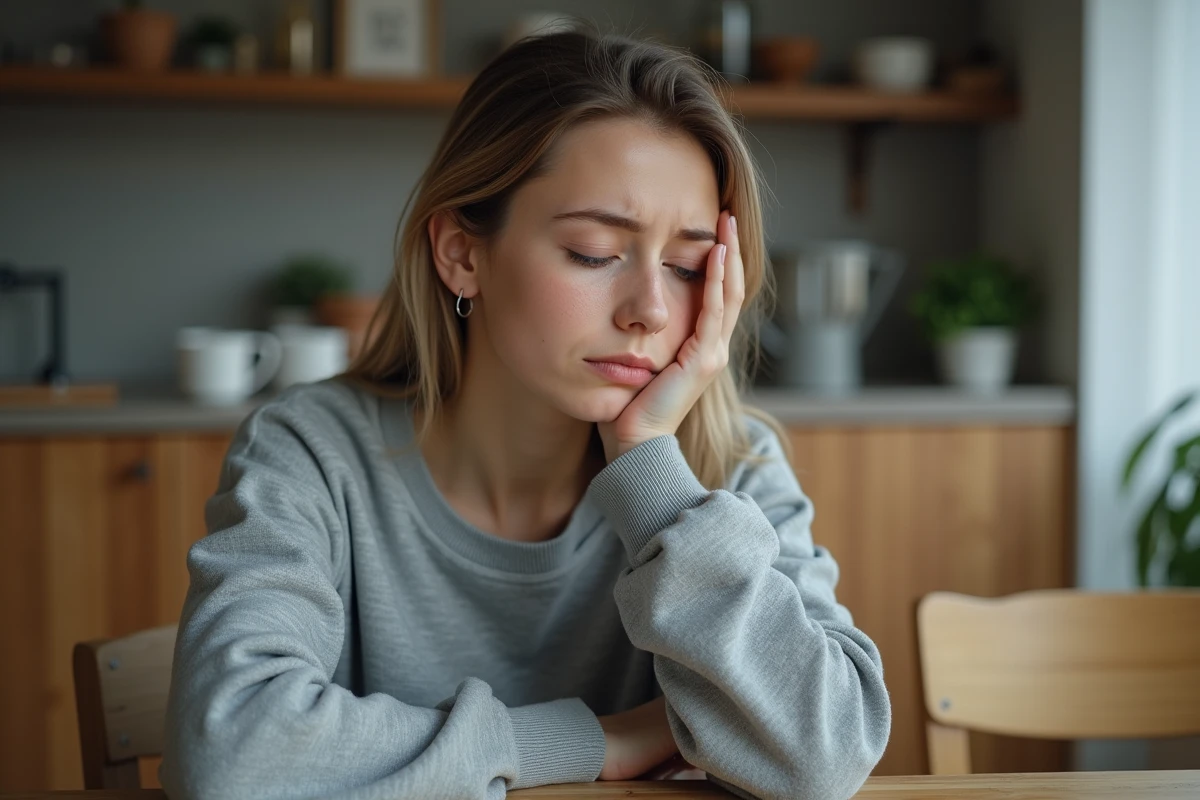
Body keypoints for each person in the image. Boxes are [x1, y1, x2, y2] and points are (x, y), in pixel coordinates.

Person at [159, 29, 891, 800]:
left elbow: (828, 756)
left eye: (685, 267)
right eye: (593, 252)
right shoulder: (312, 453)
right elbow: (230, 757)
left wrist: (649, 469)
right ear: (461, 254)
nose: (649, 309)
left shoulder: (724, 469)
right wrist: (589, 741)